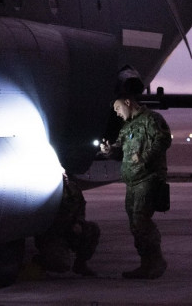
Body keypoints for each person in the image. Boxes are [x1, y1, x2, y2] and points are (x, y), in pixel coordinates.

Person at [100, 95, 171, 279]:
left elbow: (163, 140)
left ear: (127, 102)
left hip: (148, 178)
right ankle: (147, 263)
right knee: (135, 224)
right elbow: (119, 148)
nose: (117, 113)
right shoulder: (127, 127)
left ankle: (155, 262)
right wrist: (109, 150)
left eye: (117, 108)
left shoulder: (151, 119)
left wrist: (144, 157)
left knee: (141, 220)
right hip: (132, 181)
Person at [34, 174, 100, 276]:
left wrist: (78, 222)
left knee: (92, 229)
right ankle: (39, 260)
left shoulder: (72, 189)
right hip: (52, 233)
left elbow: (80, 207)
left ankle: (80, 264)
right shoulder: (44, 192)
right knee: (61, 265)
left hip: (69, 229)